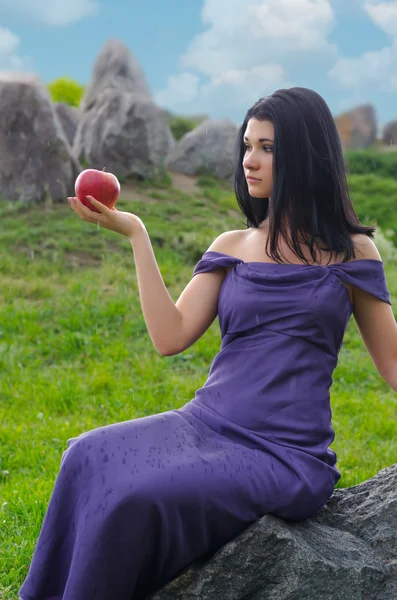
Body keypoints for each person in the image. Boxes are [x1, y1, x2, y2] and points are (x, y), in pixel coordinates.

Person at [19, 87, 395, 600]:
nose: (249, 160)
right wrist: (136, 234)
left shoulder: (352, 252)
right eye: (246, 145)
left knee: (137, 498)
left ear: (306, 157)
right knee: (86, 455)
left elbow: (392, 365)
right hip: (207, 421)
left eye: (267, 148)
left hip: (284, 452)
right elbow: (169, 337)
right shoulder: (231, 246)